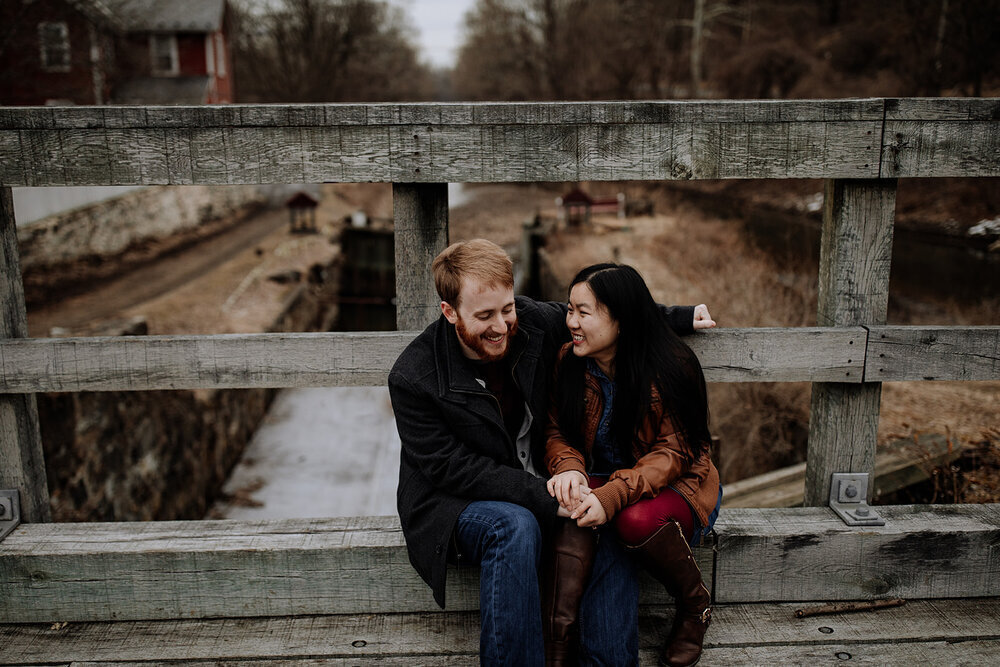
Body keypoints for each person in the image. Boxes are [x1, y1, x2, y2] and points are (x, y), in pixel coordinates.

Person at [388, 240, 715, 666]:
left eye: (506, 309)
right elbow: (453, 469)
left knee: (602, 512)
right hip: (453, 502)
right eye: (484, 316)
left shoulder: (533, 323)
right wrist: (546, 496)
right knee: (515, 524)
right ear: (450, 312)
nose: (502, 326)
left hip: (542, 480)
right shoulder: (414, 377)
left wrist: (679, 316)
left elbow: (615, 311)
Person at [544, 263, 722, 667]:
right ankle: (558, 643)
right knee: (571, 510)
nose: (570, 322)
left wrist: (613, 495)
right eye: (569, 310)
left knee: (630, 522)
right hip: (602, 480)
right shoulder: (568, 362)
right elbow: (556, 431)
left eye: (583, 312)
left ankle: (695, 605)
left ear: (620, 319)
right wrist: (569, 468)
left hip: (676, 485)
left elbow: (676, 452)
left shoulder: (671, 365)